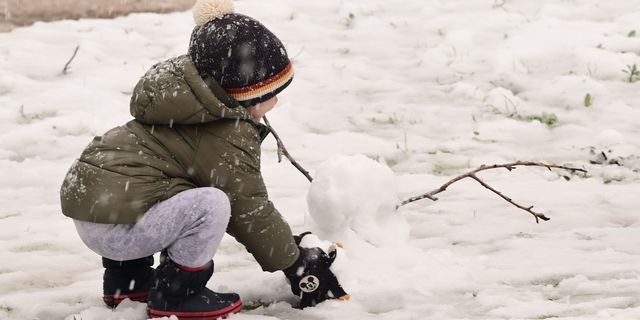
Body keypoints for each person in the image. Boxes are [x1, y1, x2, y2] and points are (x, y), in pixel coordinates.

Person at [59, 0, 348, 318]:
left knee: (160, 187)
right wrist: (295, 262)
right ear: (244, 95)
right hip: (119, 231)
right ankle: (177, 296)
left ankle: (128, 283)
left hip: (96, 214)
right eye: (269, 94)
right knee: (212, 204)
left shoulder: (183, 107)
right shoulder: (225, 132)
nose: (276, 102)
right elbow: (249, 209)